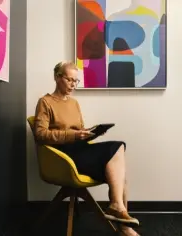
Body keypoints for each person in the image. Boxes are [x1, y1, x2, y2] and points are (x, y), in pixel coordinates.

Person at [33, 61, 140, 236]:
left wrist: (91, 134)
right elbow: (40, 134)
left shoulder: (74, 103)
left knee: (120, 174)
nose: (73, 85)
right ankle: (117, 210)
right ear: (57, 77)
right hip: (64, 156)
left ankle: (123, 224)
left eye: (76, 81)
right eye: (70, 80)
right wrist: (73, 135)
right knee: (118, 147)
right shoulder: (45, 102)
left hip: (81, 149)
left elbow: (79, 130)